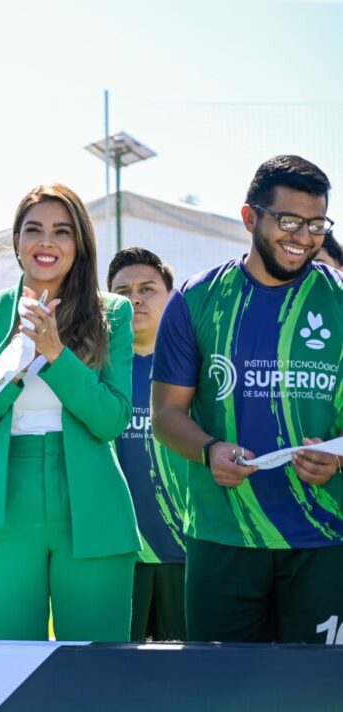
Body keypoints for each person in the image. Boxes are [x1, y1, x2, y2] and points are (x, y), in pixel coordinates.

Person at [152, 155, 343, 644]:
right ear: (250, 217)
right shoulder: (197, 300)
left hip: (324, 537)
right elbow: (167, 414)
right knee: (222, 691)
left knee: (313, 693)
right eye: (289, 221)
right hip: (224, 535)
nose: (304, 236)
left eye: (318, 223)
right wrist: (210, 449)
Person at [0, 183, 139, 642]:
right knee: (6, 666)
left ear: (80, 244)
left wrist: (56, 354)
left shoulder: (113, 312)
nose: (46, 242)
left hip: (93, 505)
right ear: (16, 241)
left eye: (62, 231)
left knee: (96, 667)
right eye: (33, 230)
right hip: (1, 505)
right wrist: (18, 359)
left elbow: (112, 419)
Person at [107, 247, 187, 642]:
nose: (134, 298)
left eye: (147, 288)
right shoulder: (96, 369)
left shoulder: (194, 368)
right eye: (122, 291)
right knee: (118, 681)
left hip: (185, 552)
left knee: (187, 680)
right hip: (118, 555)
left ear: (170, 296)